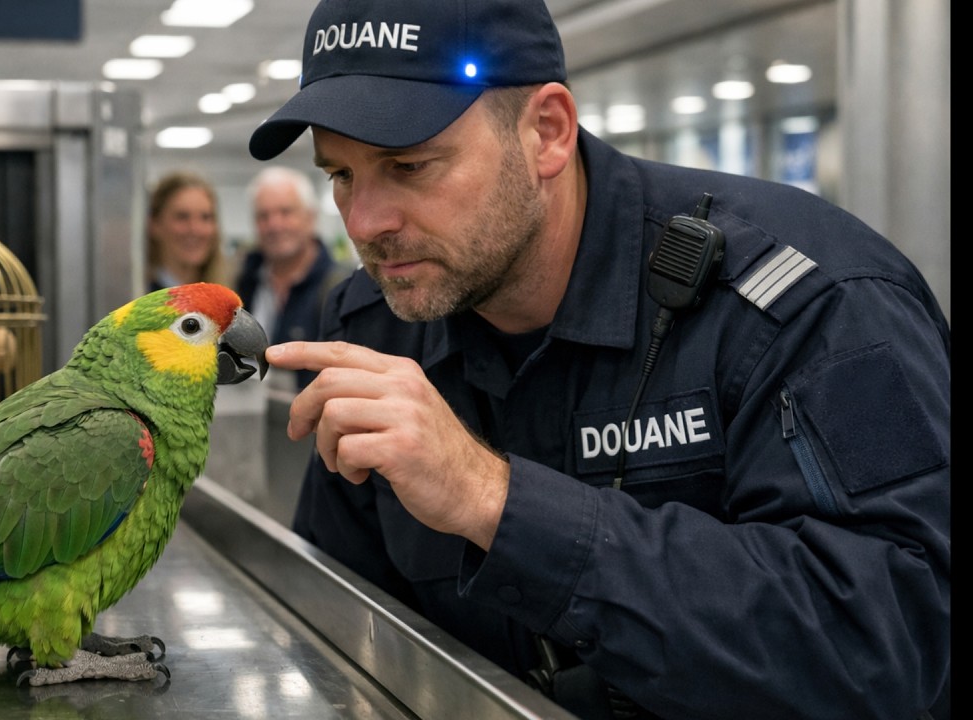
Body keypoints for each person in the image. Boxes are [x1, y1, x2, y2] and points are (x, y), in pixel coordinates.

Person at [248, 1, 951, 719]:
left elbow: (891, 642)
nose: (366, 223)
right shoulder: (376, 325)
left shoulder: (807, 302)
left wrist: (493, 500)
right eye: (341, 175)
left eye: (410, 165)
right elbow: (341, 631)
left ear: (547, 132)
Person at [235, 166, 353, 390]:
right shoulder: (244, 285)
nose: (274, 225)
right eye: (263, 216)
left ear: (310, 217)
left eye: (286, 212)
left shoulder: (341, 289)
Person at [144, 170, 232, 293]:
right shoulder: (137, 294)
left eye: (205, 217)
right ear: (155, 224)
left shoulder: (223, 296)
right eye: (182, 217)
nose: (195, 229)